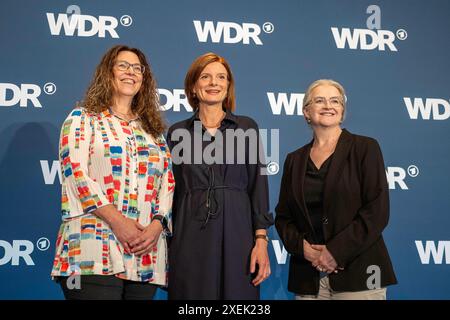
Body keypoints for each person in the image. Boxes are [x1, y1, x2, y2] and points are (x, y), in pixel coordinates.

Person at [50, 45, 174, 300]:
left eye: (137, 68)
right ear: (107, 73)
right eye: (123, 65)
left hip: (144, 257)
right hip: (92, 251)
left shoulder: (153, 131)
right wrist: (118, 222)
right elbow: (76, 175)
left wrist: (157, 224)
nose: (131, 72)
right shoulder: (83, 119)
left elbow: (167, 182)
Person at [275, 79, 397, 300]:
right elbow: (284, 217)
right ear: (306, 112)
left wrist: (335, 252)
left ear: (342, 111)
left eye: (335, 101)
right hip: (308, 277)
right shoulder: (294, 160)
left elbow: (376, 211)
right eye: (319, 100)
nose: (328, 106)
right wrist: (305, 250)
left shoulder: (365, 148)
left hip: (359, 273)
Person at [167, 52, 274, 299]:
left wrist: (261, 240)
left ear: (228, 86)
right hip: (190, 232)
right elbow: (171, 191)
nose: (214, 83)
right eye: (205, 77)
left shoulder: (248, 127)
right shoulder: (177, 132)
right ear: (193, 87)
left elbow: (259, 186)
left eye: (221, 77)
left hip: (239, 234)